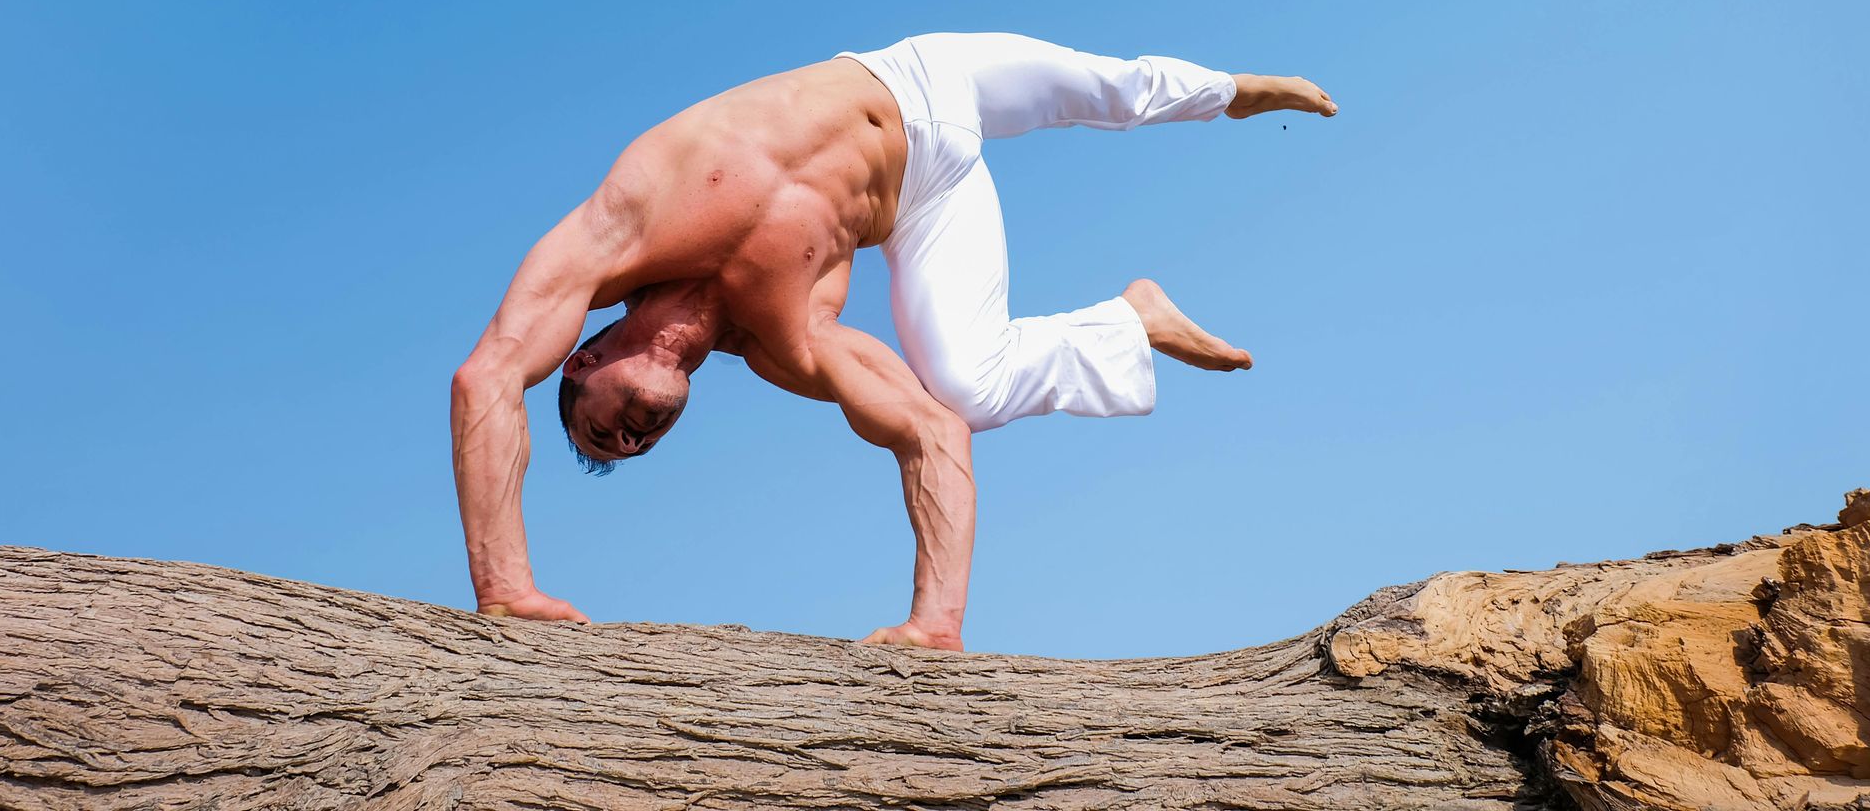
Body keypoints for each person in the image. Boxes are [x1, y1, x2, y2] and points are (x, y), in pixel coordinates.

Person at [450, 33, 1336, 649]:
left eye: (602, 427)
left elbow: (486, 374)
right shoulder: (787, 341)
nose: (631, 440)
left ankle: (1239, 92)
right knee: (967, 393)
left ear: (582, 359)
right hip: (926, 196)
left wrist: (503, 591)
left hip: (921, 78)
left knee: (1110, 88)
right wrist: (935, 623)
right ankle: (1128, 322)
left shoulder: (622, 232)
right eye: (635, 448)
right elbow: (929, 431)